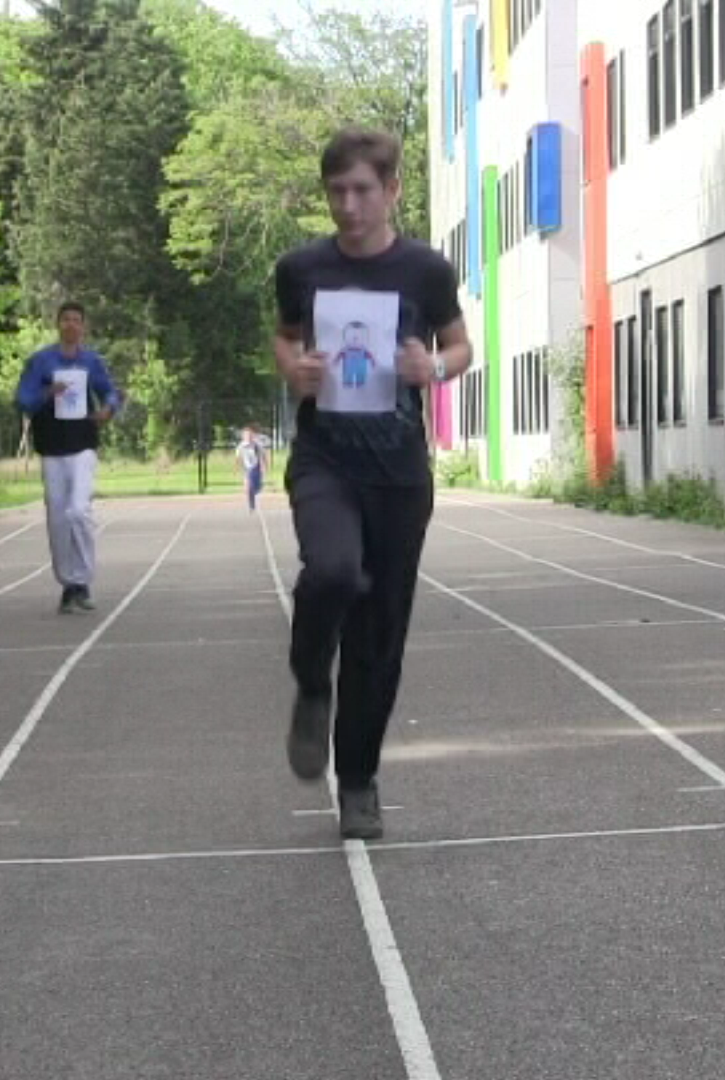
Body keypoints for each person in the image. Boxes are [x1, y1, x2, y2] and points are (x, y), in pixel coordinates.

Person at [272, 126, 472, 840]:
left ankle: (357, 781)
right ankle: (308, 680)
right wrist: (291, 366)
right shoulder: (302, 266)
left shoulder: (424, 270)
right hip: (326, 457)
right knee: (329, 571)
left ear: (391, 191)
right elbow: (286, 334)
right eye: (336, 191)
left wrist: (436, 370)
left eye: (362, 190)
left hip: (398, 473)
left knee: (380, 637)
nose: (349, 205)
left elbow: (460, 343)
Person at [14, 301, 120, 614]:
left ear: (83, 327)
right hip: (51, 445)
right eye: (66, 320)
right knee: (58, 517)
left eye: (77, 320)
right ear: (58, 325)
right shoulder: (41, 362)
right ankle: (69, 584)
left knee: (78, 511)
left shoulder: (91, 362)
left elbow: (109, 392)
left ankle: (83, 579)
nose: (71, 325)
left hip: (83, 443)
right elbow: (23, 400)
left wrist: (108, 410)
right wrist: (47, 394)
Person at [236, 425, 269, 512]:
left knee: (256, 488)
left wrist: (265, 467)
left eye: (250, 435)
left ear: (252, 435)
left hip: (256, 468)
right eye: (246, 435)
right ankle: (251, 506)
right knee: (248, 488)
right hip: (247, 469)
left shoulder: (257, 445)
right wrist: (237, 468)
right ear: (243, 436)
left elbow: (263, 456)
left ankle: (258, 487)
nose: (248, 437)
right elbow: (238, 458)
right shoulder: (241, 446)